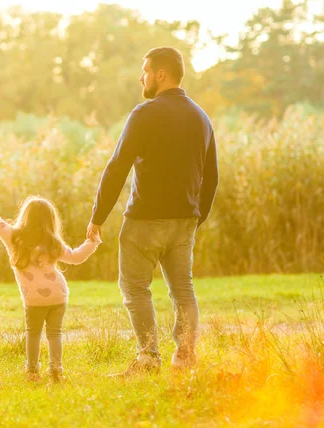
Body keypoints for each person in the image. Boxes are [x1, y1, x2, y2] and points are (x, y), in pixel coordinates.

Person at [87, 47, 219, 375]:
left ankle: (147, 358)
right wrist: (195, 216)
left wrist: (98, 216)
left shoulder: (144, 114)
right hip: (183, 220)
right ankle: (185, 356)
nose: (141, 77)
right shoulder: (201, 118)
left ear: (161, 74)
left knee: (134, 288)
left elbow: (118, 166)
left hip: (144, 220)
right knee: (182, 289)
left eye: (145, 70)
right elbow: (212, 177)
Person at [0, 195, 101, 382]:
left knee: (33, 334)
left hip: (33, 299)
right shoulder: (53, 243)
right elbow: (76, 257)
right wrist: (93, 242)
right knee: (55, 334)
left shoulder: (13, 238)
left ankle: (33, 373)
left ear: (25, 216)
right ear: (50, 220)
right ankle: (56, 371)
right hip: (58, 296)